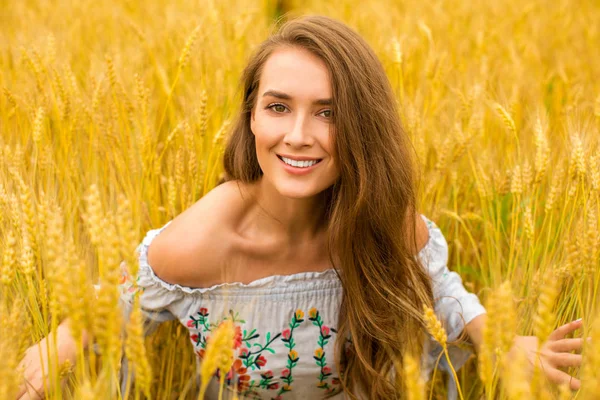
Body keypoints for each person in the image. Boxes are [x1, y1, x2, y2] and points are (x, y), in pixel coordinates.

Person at [17, 15, 583, 400]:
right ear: (252, 118)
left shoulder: (379, 217)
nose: (298, 135)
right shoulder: (202, 243)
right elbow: (117, 301)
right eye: (278, 107)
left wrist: (500, 341)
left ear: (361, 125)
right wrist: (48, 351)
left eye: (328, 113)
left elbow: (439, 289)